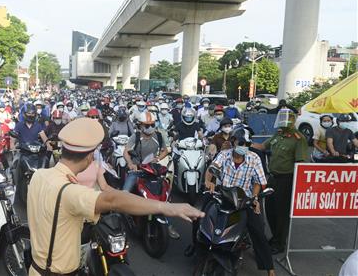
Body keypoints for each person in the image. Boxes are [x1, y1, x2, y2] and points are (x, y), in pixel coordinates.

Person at [27, 118, 204, 275]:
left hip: (36, 268)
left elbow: (107, 191)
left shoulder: (40, 175)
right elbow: (112, 200)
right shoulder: (69, 192)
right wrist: (169, 207)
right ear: (90, 156)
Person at [200, 128, 275, 276]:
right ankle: (196, 246)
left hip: (244, 199)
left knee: (258, 230)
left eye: (247, 143)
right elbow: (212, 168)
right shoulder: (224, 155)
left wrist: (254, 198)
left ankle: (269, 268)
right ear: (234, 141)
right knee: (200, 216)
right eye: (241, 143)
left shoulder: (254, 158)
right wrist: (209, 181)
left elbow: (258, 182)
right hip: (222, 194)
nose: (244, 146)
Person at [252, 108, 308, 254]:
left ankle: (279, 243)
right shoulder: (278, 135)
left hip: (286, 179)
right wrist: (244, 144)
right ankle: (275, 237)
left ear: (292, 120)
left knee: (281, 213)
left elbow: (300, 163)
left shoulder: (298, 139)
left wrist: (297, 186)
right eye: (281, 117)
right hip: (272, 178)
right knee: (270, 209)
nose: (283, 121)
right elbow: (263, 146)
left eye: (286, 118)